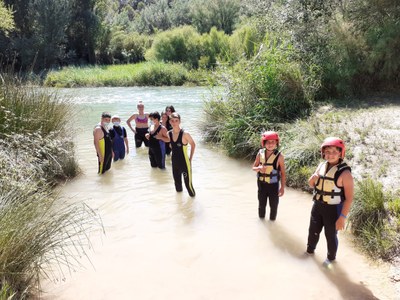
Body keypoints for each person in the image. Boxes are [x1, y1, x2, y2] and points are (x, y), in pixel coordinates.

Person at [306, 137, 354, 264]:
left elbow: (349, 198)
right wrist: (313, 178)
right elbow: (311, 184)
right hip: (317, 207)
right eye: (327, 152)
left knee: (331, 236)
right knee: (313, 232)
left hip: (333, 210)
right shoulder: (321, 166)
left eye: (334, 152)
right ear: (323, 153)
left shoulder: (345, 173)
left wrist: (342, 217)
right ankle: (309, 253)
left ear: (341, 153)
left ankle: (330, 260)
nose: (330, 155)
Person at [252, 131, 286, 220]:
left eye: (273, 142)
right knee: (261, 205)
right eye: (268, 142)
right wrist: (259, 168)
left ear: (276, 143)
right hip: (261, 185)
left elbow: (283, 173)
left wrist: (282, 188)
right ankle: (261, 222)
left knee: (273, 206)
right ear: (264, 143)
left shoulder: (280, 157)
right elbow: (253, 168)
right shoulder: (260, 153)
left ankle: (272, 222)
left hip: (273, 186)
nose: (270, 144)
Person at [168, 112, 196, 197]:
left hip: (185, 164)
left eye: (176, 121)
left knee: (189, 187)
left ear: (179, 121)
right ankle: (180, 205)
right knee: (177, 186)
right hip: (174, 163)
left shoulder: (185, 134)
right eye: (172, 121)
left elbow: (193, 145)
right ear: (170, 122)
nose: (174, 123)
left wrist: (190, 159)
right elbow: (171, 145)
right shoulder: (169, 133)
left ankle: (193, 205)